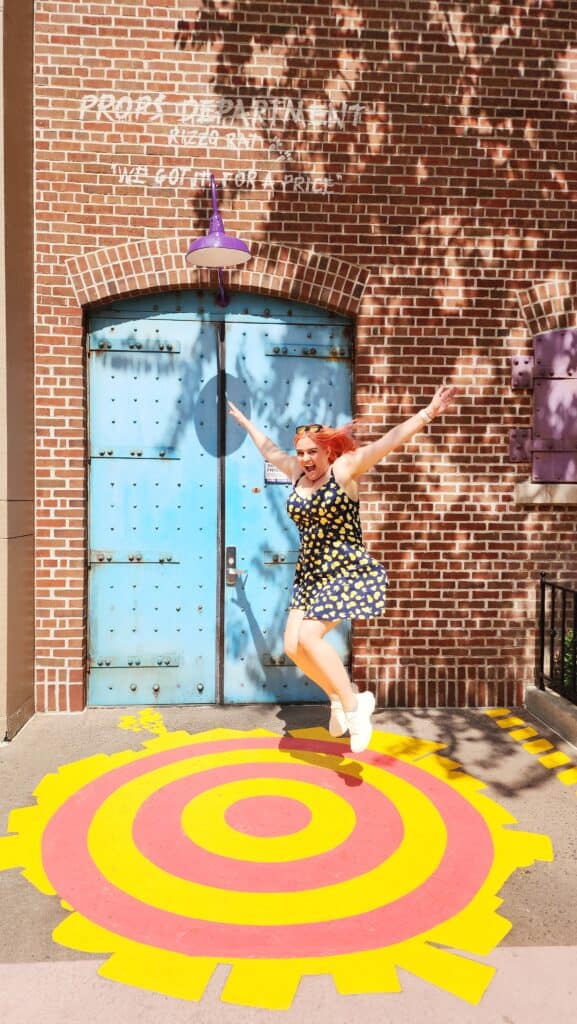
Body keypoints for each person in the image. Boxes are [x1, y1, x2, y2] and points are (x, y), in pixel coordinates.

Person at [228, 384, 457, 754]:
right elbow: (269, 449)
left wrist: (428, 413)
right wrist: (246, 423)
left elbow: (389, 441)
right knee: (291, 646)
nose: (304, 459)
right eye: (300, 452)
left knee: (309, 638)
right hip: (310, 573)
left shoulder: (346, 470)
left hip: (345, 568)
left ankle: (354, 707)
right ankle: (339, 697)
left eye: (311, 452)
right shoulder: (298, 476)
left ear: (328, 450)